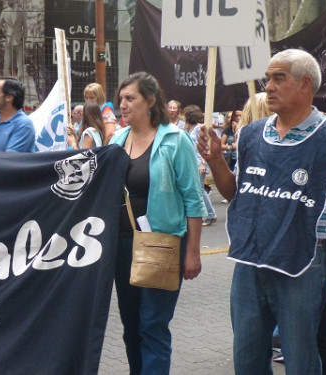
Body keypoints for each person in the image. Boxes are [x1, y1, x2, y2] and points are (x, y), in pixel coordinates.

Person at [196, 49, 326, 375]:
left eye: (279, 78)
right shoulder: (251, 134)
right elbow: (236, 195)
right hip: (248, 261)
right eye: (267, 78)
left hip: (302, 263)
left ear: (305, 85)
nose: (268, 86)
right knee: (247, 360)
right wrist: (216, 160)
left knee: (301, 361)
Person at [109, 72, 205, 374]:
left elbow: (193, 199)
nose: (123, 104)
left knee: (152, 325)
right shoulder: (117, 139)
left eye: (130, 98)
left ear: (150, 101)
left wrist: (192, 252)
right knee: (131, 325)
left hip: (162, 245)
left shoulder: (175, 141)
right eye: (121, 98)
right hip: (122, 246)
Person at [183, 105, 217, 226]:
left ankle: (210, 214)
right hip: (194, 163)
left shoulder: (199, 128)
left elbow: (205, 146)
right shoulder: (190, 129)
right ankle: (207, 214)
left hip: (199, 163)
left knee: (200, 190)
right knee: (198, 190)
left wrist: (202, 163)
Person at [0, 0, 26, 81]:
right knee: (6, 62)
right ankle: (5, 81)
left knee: (20, 63)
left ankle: (20, 81)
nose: (8, 1)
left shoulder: (21, 12)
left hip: (19, 40)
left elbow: (25, 28)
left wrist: (24, 39)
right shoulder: (5, 12)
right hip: (8, 40)